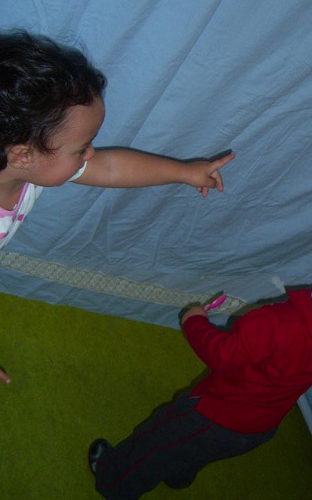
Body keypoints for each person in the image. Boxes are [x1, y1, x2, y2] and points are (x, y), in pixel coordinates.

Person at [88, 204, 312, 500]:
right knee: (190, 453)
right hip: (258, 428)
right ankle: (180, 475)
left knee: (156, 443)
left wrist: (194, 321)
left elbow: (223, 355)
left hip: (212, 415)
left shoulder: (275, 323)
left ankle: (112, 480)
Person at [0, 30, 235, 384]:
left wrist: (185, 172)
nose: (90, 154)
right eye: (81, 148)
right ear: (23, 155)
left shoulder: (30, 166)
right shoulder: (33, 167)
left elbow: (110, 168)